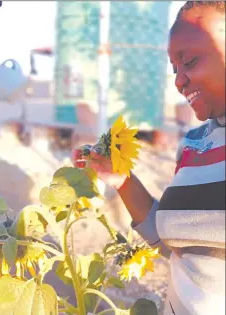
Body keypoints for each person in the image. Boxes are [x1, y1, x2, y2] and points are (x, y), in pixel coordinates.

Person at [72, 2, 225, 314]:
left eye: (191, 61)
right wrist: (122, 181)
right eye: (174, 68)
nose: (179, 81)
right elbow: (177, 245)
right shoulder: (194, 144)